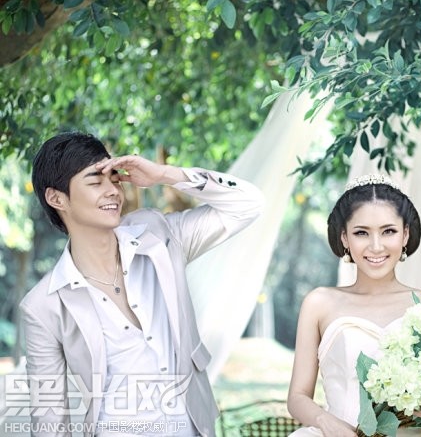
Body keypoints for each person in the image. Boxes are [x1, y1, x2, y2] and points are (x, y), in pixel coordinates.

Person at [20, 131, 264, 436]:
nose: (112, 191)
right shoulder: (43, 306)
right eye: (95, 182)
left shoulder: (157, 235)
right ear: (57, 198)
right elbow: (50, 421)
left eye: (115, 179)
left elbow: (248, 204)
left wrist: (164, 175)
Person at [287, 174, 421, 437]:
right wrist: (325, 421)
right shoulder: (320, 303)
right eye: (361, 233)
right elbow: (297, 397)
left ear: (405, 234)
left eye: (388, 231)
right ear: (345, 238)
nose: (376, 246)